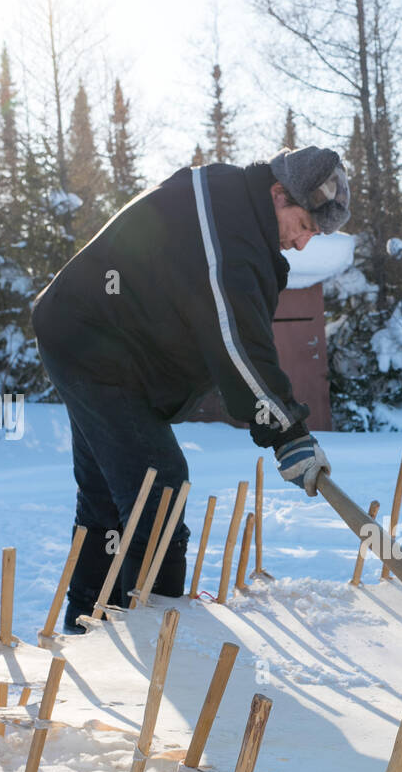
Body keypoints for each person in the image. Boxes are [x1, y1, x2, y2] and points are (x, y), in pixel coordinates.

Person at [32, 145, 348, 631]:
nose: (303, 243)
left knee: (112, 500)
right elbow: (236, 337)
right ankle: (159, 641)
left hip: (102, 347)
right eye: (304, 225)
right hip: (93, 345)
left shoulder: (235, 209)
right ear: (278, 193)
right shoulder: (229, 227)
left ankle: (86, 630)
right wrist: (287, 432)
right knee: (158, 487)